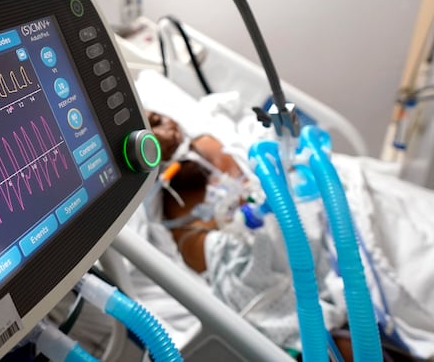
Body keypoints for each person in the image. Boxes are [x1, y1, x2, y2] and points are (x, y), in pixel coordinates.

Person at [143, 109, 434, 362]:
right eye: (234, 169)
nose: (246, 180)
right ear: (209, 181)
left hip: (366, 213)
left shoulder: (221, 229)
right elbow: (314, 336)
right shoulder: (223, 252)